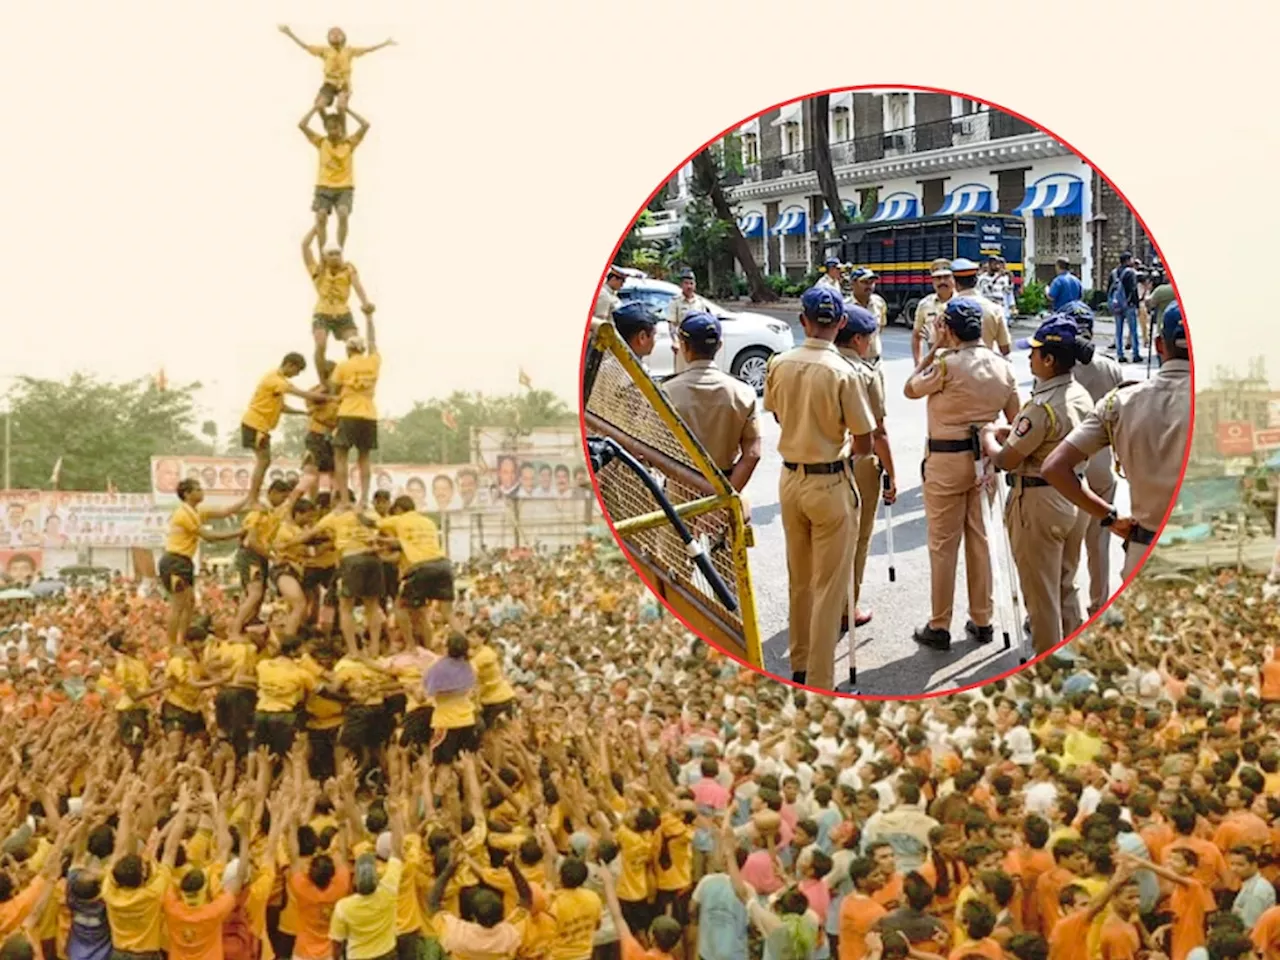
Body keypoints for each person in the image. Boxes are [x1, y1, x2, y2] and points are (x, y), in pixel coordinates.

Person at [762, 287, 874, 690]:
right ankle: (821, 679)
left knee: (801, 580)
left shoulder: (779, 363)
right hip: (831, 481)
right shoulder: (844, 371)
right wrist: (837, 446)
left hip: (791, 479)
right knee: (829, 589)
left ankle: (800, 663)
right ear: (842, 323)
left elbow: (776, 415)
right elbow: (864, 441)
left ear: (803, 319)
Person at [1042, 303, 1192, 579]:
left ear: (1160, 345)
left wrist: (1110, 518)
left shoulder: (1120, 402)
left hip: (1144, 554)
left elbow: (1054, 467)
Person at [904, 297, 1020, 651]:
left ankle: (940, 624)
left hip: (944, 462)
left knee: (943, 546)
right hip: (984, 462)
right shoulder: (1003, 368)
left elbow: (910, 387)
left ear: (950, 329)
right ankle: (982, 619)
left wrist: (935, 346)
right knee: (980, 540)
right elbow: (1015, 421)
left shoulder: (944, 365)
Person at [978, 317, 1094, 655]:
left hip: (1040, 501)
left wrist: (989, 438)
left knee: (1041, 596)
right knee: (1066, 585)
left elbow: (1006, 460)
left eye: (1034, 353)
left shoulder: (1042, 406)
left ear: (1048, 360)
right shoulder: (1079, 394)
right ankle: (1072, 657)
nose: (1029, 358)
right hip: (1075, 493)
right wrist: (1012, 433)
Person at [1058, 302, 1124, 616]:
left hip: (1069, 464)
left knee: (1064, 544)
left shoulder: (1060, 364)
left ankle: (1058, 609)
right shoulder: (1110, 366)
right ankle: (1099, 605)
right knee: (1099, 544)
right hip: (1103, 462)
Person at [834, 305, 898, 630]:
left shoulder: (814, 366)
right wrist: (892, 476)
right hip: (856, 462)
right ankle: (847, 607)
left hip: (812, 463)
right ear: (858, 339)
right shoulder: (865, 374)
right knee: (857, 539)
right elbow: (878, 433)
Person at [660, 312, 762, 493]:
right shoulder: (743, 392)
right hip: (726, 485)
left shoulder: (666, 392)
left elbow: (652, 450)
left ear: (683, 346)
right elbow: (752, 454)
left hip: (680, 493)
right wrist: (727, 496)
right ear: (719, 345)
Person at [158, 478, 250, 648]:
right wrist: (239, 532)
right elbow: (208, 537)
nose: (202, 491)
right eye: (197, 489)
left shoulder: (196, 511)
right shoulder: (183, 513)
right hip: (174, 561)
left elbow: (225, 511)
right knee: (178, 604)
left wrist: (248, 497)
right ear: (187, 494)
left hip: (184, 561)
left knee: (190, 603)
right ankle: (171, 644)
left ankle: (181, 639)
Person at [241, 353, 329, 502]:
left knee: (264, 460)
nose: (297, 374)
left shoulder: (279, 381)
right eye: (297, 370)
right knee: (263, 460)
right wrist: (327, 398)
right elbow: (301, 393)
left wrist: (303, 412)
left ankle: (253, 497)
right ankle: (252, 498)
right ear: (289, 365)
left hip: (260, 425)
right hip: (255, 423)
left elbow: (281, 407)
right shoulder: (275, 379)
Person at [377, 495, 454, 648]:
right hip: (442, 564)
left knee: (400, 607)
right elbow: (401, 548)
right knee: (434, 613)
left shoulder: (400, 520)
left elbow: (375, 523)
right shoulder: (428, 522)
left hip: (420, 568)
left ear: (398, 509)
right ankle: (433, 646)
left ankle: (411, 646)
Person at [302, 227, 375, 372]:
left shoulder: (348, 269)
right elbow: (305, 246)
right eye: (331, 254)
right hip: (322, 312)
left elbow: (357, 285)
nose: (335, 256)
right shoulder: (317, 271)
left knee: (356, 344)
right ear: (325, 257)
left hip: (343, 312)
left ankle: (353, 373)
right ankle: (323, 380)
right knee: (321, 344)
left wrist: (365, 302)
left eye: (338, 253)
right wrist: (316, 228)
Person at [298, 105, 371, 250]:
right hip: (324, 186)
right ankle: (323, 252)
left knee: (343, 213)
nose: (333, 131)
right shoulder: (322, 142)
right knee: (321, 216)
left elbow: (365, 125)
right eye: (330, 128)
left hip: (344, 187)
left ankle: (339, 250)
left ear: (341, 128)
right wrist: (315, 108)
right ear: (326, 129)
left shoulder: (349, 143)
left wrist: (347, 110)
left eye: (336, 128)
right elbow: (302, 125)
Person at [278, 25, 395, 112]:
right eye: (332, 33)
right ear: (328, 38)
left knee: (341, 107)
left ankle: (342, 128)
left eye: (338, 33)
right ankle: (328, 123)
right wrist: (289, 33)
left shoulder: (349, 51)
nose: (335, 35)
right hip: (329, 83)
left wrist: (385, 43)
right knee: (318, 106)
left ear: (344, 37)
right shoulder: (324, 50)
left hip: (344, 84)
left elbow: (368, 49)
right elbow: (305, 46)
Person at [330, 314, 382, 509]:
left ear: (348, 349)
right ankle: (364, 499)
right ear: (362, 349)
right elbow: (373, 342)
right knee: (364, 458)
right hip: (369, 413)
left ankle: (344, 500)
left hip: (348, 412)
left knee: (340, 456)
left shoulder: (343, 366)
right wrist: (369, 319)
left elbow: (333, 390)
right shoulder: (374, 362)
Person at [951, 259, 1011, 357]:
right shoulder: (995, 309)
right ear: (976, 281)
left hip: (955, 368)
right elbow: (1005, 349)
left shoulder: (946, 309)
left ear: (955, 283)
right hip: (985, 367)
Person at [665, 271, 714, 376]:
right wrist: (675, 341)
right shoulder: (676, 302)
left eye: (691, 283)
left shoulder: (700, 302)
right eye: (686, 283)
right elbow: (672, 325)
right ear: (681, 285)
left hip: (698, 344)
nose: (689, 286)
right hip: (683, 343)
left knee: (697, 372)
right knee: (681, 373)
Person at [912, 260, 956, 364]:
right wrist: (918, 362)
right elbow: (916, 336)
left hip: (958, 363)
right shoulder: (925, 304)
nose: (942, 282)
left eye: (946, 277)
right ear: (932, 281)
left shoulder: (964, 302)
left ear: (953, 278)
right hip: (934, 363)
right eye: (938, 278)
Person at [1107, 253, 1142, 364]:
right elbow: (1133, 289)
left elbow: (1109, 289)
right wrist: (1136, 304)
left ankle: (1120, 354)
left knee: (1118, 330)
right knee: (1133, 330)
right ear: (1127, 260)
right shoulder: (1130, 272)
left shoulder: (1113, 273)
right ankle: (1135, 354)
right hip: (1129, 305)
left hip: (1117, 305)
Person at [847, 268, 888, 362]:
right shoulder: (846, 307)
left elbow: (880, 327)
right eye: (865, 282)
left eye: (872, 282)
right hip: (854, 362)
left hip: (875, 361)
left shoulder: (879, 303)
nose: (869, 286)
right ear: (853, 283)